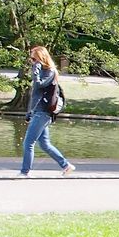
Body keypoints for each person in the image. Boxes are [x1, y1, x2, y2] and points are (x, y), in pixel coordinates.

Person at [20, 46, 75, 177]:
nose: (32, 61)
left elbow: (39, 84)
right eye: (31, 59)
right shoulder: (41, 71)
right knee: (44, 144)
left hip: (43, 112)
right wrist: (29, 113)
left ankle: (24, 172)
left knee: (28, 143)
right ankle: (66, 165)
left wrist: (36, 69)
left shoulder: (50, 72)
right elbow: (35, 96)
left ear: (41, 58)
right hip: (37, 112)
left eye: (34, 59)